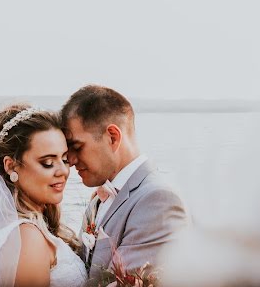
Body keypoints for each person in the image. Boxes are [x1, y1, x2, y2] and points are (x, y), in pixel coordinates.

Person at [61, 85, 188, 279]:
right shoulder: (100, 198)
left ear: (112, 137)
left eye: (77, 147)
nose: (70, 160)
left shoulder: (157, 201)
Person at [0, 104, 87, 287]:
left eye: (64, 159)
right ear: (11, 166)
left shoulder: (19, 229)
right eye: (48, 162)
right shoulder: (28, 238)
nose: (63, 171)